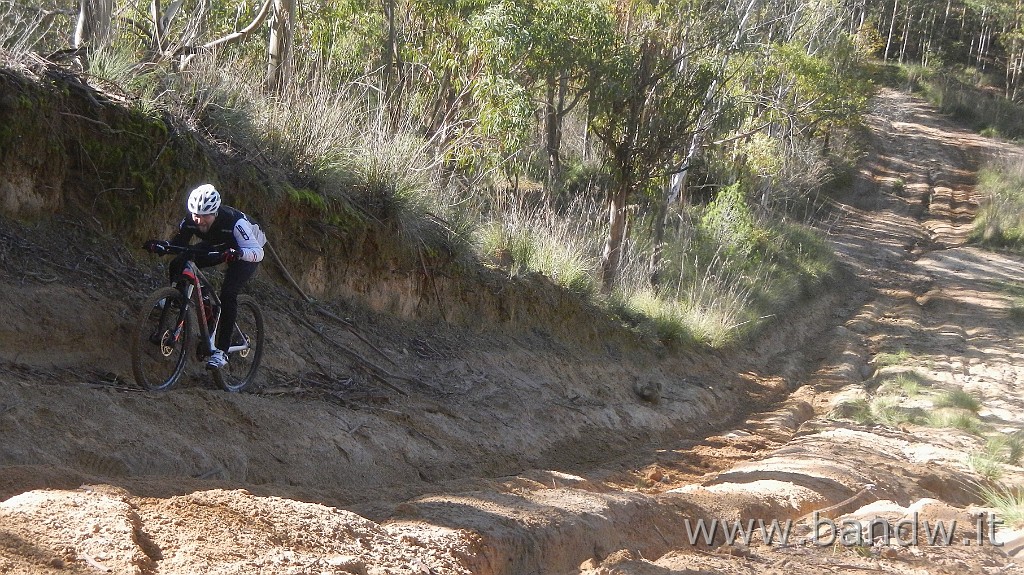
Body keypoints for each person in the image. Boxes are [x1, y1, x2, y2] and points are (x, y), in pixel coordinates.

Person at [143, 184, 266, 369]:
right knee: (178, 262)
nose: (199, 221)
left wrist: (239, 254)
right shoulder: (190, 220)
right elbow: (179, 245)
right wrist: (161, 246)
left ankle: (222, 351)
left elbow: (257, 252)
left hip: (248, 248)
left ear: (215, 213)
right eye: (196, 215)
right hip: (219, 244)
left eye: (205, 216)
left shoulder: (235, 223)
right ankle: (179, 299)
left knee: (228, 294)